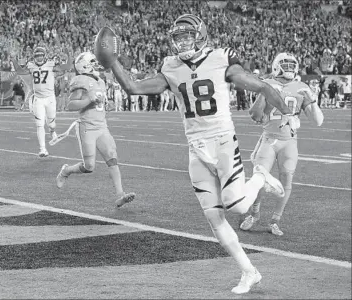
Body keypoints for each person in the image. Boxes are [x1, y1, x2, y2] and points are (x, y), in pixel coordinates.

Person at [96, 15, 298, 294]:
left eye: (187, 36)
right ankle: (249, 271)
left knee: (237, 206)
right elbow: (132, 88)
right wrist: (112, 63)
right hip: (196, 149)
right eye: (177, 37)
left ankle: (260, 178)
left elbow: (262, 85)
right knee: (214, 218)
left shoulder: (221, 57)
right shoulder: (170, 66)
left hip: (223, 142)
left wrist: (287, 114)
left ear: (201, 35)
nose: (182, 42)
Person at [240, 53, 324, 236]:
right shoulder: (267, 83)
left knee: (286, 182)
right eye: (285, 64)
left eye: (291, 64)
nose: (289, 68)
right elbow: (255, 115)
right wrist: (264, 92)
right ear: (276, 66)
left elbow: (318, 121)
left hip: (289, 142)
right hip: (269, 138)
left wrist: (314, 100)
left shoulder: (302, 87)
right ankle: (254, 214)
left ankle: (275, 221)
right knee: (259, 180)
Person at [55, 52, 135, 208]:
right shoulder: (80, 80)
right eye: (92, 61)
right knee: (89, 167)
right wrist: (88, 100)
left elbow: (99, 101)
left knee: (112, 158)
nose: (96, 64)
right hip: (87, 127)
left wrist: (106, 105)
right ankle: (66, 171)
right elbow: (70, 105)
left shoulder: (100, 80)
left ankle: (120, 195)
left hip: (101, 126)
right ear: (84, 65)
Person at [11, 46, 73, 157]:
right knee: (39, 124)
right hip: (38, 98)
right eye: (37, 56)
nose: (39, 58)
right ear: (34, 56)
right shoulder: (31, 65)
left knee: (51, 123)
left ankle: (52, 131)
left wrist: (69, 55)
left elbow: (67, 66)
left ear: (44, 56)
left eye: (40, 55)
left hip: (50, 98)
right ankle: (42, 149)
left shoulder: (51, 64)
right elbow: (19, 70)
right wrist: (13, 58)